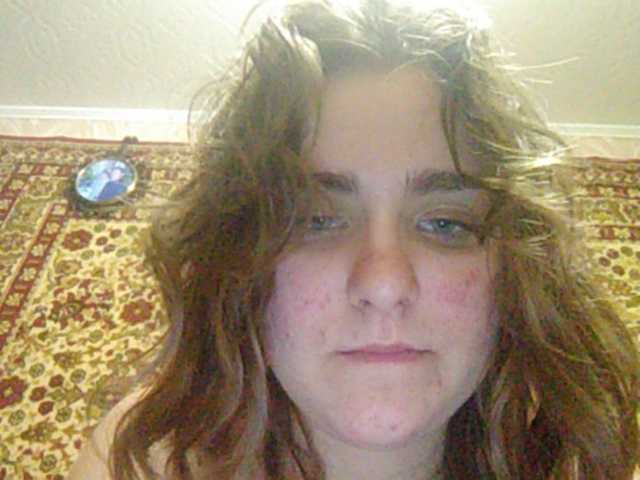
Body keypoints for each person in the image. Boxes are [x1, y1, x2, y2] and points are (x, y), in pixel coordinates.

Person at [68, 0, 640, 478]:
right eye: (315, 220)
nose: (385, 284)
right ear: (238, 261)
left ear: (516, 271)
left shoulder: (582, 463)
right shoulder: (138, 459)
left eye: (446, 223)